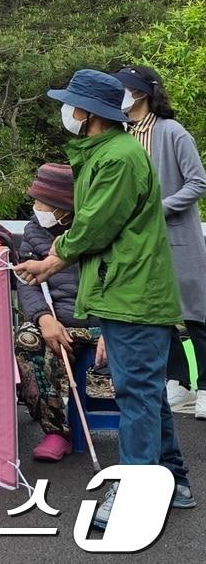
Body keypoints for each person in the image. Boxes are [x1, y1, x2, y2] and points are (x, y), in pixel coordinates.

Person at [15, 69, 194, 527]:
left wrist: (50, 263)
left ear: (86, 113)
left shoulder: (115, 158)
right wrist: (53, 258)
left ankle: (135, 496)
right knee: (147, 395)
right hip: (129, 291)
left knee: (135, 395)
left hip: (132, 294)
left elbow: (94, 226)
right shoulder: (109, 152)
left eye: (68, 104)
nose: (64, 112)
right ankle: (174, 479)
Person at [117, 64, 206, 420]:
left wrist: (159, 208)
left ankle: (205, 388)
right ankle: (178, 383)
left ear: (143, 92)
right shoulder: (120, 134)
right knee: (157, 315)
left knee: (196, 315)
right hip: (140, 242)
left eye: (125, 88)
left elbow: (198, 182)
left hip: (177, 238)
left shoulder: (172, 131)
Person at [14, 163, 94, 463]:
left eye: (42, 202)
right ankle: (56, 430)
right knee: (27, 339)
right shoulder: (34, 232)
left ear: (64, 206)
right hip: (56, 320)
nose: (36, 208)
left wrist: (114, 327)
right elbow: (26, 281)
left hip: (102, 322)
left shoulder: (96, 230)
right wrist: (44, 318)